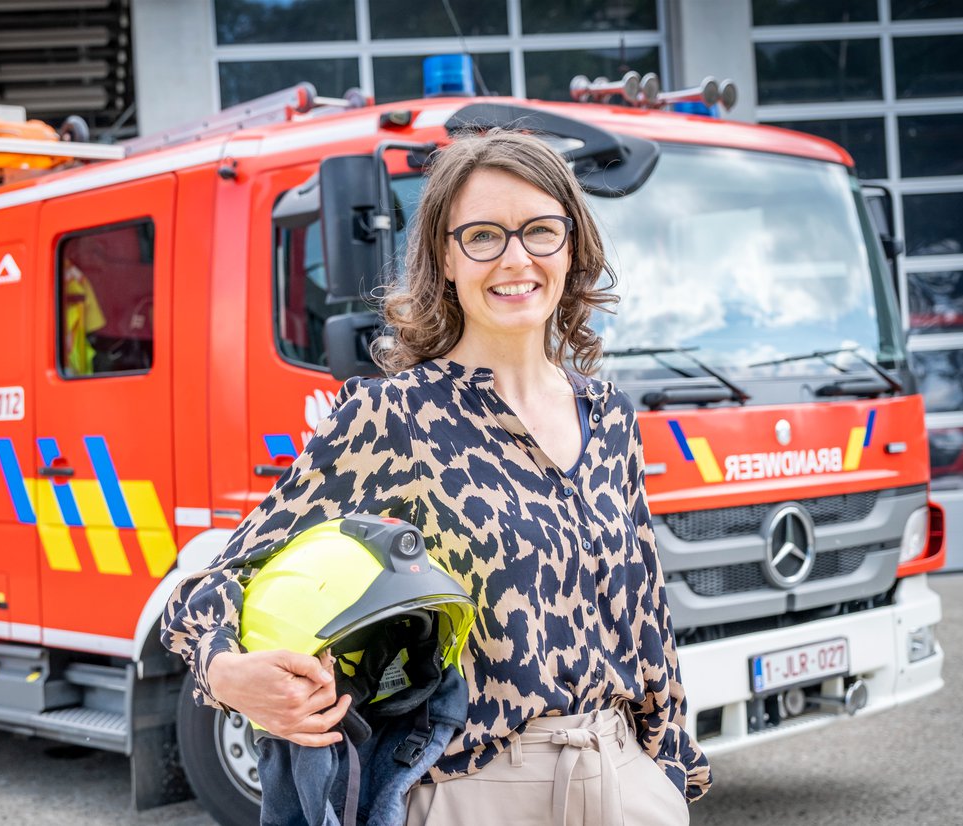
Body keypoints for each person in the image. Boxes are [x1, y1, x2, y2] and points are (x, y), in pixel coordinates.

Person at [162, 129, 711, 824]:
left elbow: (648, 626)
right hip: (482, 790)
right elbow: (213, 582)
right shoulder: (396, 416)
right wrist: (228, 676)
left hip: (627, 780)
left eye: (541, 231)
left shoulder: (608, 417)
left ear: (571, 247)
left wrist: (670, 778)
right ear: (446, 259)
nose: (516, 258)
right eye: (483, 236)